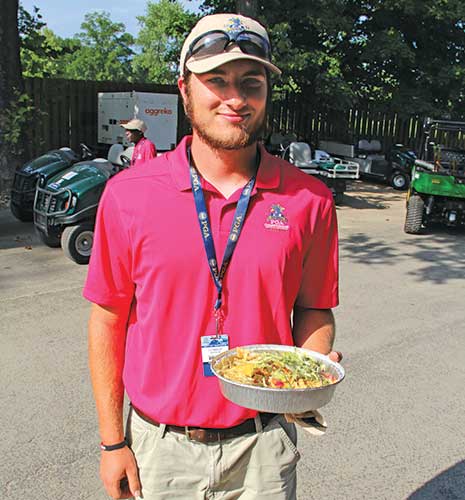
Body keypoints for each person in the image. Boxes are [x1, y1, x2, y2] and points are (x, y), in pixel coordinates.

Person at [85, 12, 341, 500]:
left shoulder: (310, 201)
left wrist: (311, 367)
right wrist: (112, 441)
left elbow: (313, 307)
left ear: (267, 92)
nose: (235, 98)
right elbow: (107, 319)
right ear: (185, 89)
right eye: (216, 80)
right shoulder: (128, 195)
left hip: (263, 449)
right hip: (159, 450)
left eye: (251, 82)